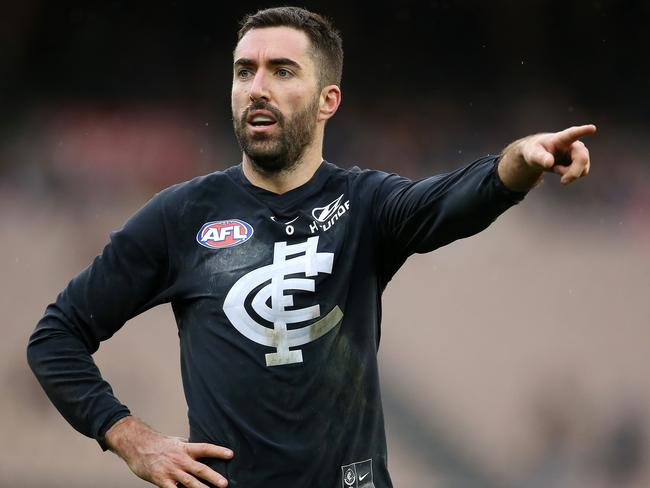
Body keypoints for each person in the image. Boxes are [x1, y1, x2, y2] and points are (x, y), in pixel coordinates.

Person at [26, 6, 596, 488]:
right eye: (244, 70)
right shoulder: (181, 217)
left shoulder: (366, 204)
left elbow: (453, 201)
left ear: (328, 100)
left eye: (281, 70)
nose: (258, 88)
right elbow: (55, 338)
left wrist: (519, 162)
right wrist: (132, 439)